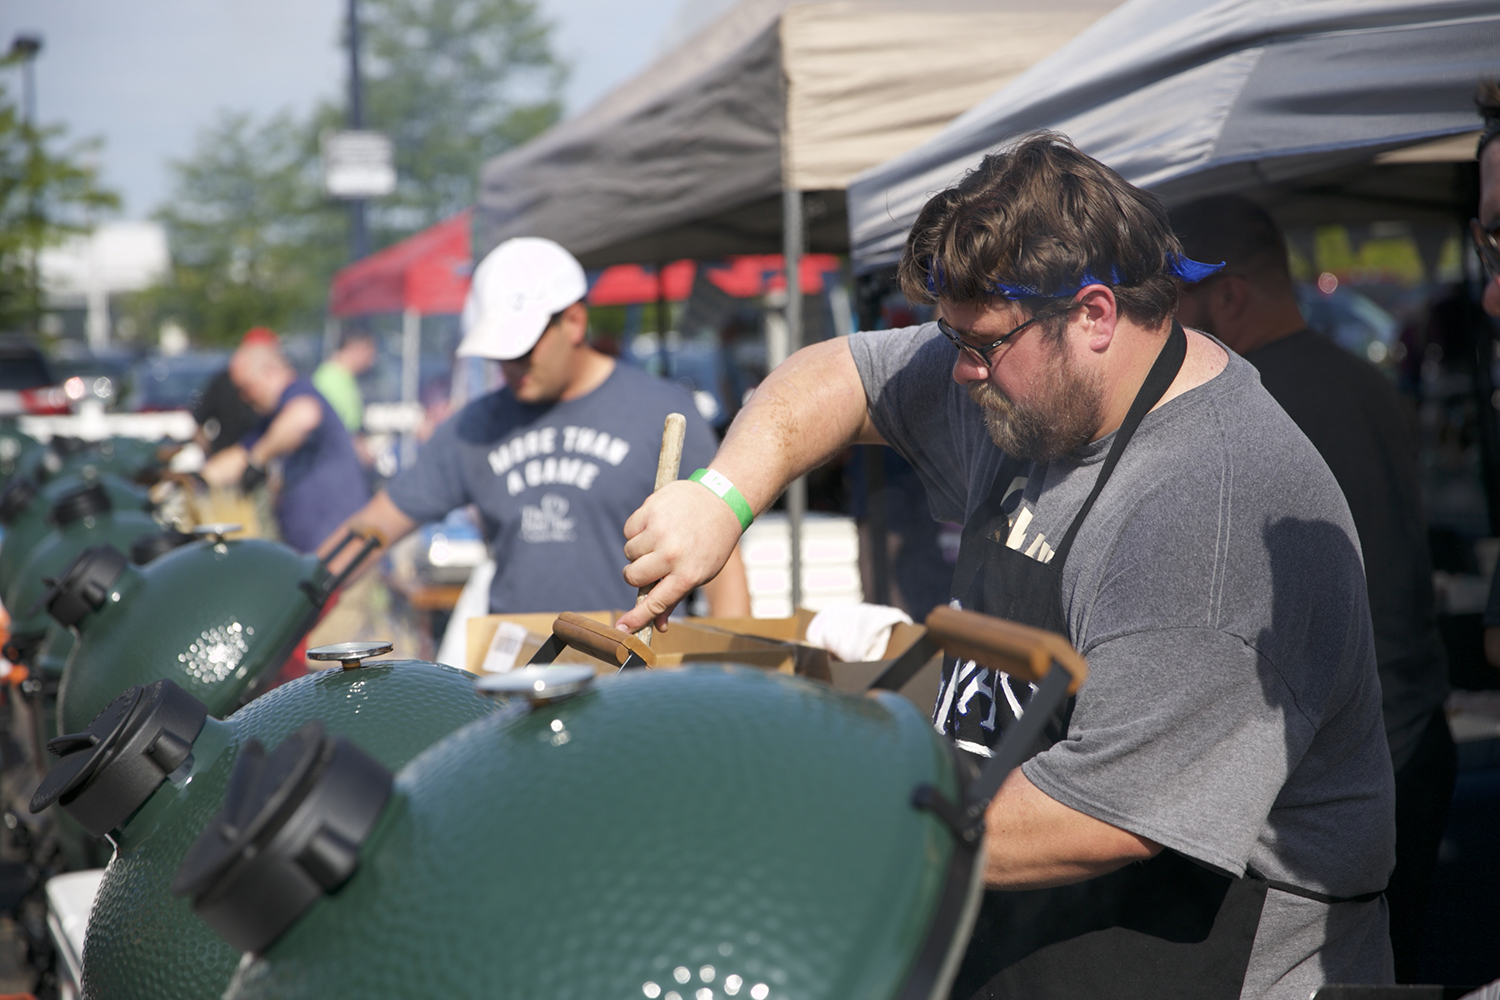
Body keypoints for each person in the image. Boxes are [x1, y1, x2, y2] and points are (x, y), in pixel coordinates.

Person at [617, 133, 1394, 1000]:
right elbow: (842, 373)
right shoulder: (1020, 384)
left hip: (1197, 955)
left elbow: (1100, 815)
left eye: (981, 344)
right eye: (952, 337)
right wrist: (720, 497)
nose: (958, 371)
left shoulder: (1207, 516)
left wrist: (813, 821)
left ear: (1095, 315)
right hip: (1030, 931)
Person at [1171, 193, 1452, 983]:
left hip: (1332, 775)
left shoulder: (1248, 407)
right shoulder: (1361, 381)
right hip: (1409, 737)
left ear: (1227, 295)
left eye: (1171, 299)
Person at [319, 236, 749, 619]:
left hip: (631, 681)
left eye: (522, 349)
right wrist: (300, 592)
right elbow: (373, 528)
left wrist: (734, 685)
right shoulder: (475, 426)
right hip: (515, 676)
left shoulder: (663, 413)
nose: (510, 366)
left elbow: (722, 558)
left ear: (574, 323)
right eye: (500, 353)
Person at [202, 330, 369, 553]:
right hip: (313, 551)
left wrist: (257, 459)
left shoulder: (298, 392)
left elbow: (304, 416)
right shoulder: (273, 420)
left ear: (270, 372)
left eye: (246, 388)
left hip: (341, 548)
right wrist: (196, 479)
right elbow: (236, 458)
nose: (244, 398)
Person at [313, 325, 377, 434]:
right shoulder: (329, 380)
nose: (372, 361)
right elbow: (332, 431)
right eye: (369, 353)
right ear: (355, 347)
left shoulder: (345, 377)